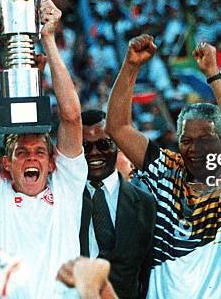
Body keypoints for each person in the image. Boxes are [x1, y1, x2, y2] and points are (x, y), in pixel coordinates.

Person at [106, 35, 221, 298]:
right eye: (187, 140)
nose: (195, 149)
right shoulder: (165, 168)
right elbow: (117, 127)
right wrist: (131, 65)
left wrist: (213, 74)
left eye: (205, 140)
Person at [0, 0, 87, 298]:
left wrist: (49, 39)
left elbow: (72, 116)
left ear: (52, 164)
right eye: (22, 152)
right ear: (6, 163)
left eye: (39, 152)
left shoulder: (66, 187)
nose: (32, 157)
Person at [79, 109, 156, 298]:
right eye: (85, 147)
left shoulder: (146, 204)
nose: (94, 153)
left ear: (119, 145)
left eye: (104, 144)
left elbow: (147, 273)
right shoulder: (62, 199)